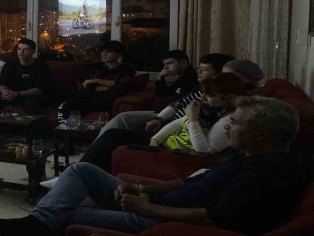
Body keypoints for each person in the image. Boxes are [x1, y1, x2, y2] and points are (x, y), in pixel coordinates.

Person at [0, 96, 311, 236]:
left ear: (263, 134)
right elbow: (191, 181)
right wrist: (146, 189)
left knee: (64, 216)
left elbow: (212, 219)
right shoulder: (249, 155)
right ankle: (41, 221)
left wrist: (146, 207)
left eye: (235, 123)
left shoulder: (268, 173)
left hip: (161, 222)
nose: (227, 128)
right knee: (81, 171)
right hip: (158, 205)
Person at [80, 72, 247, 172]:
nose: (204, 97)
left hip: (174, 148)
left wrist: (193, 120)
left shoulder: (229, 121)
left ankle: (83, 171)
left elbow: (203, 151)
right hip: (168, 138)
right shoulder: (213, 108)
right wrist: (159, 129)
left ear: (228, 97)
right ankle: (83, 168)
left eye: (209, 95)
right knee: (114, 135)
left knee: (114, 138)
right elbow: (179, 117)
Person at [94, 53, 235, 140]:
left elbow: (178, 103)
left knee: (118, 129)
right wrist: (160, 80)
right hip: (166, 116)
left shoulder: (193, 79)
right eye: (199, 68)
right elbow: (173, 98)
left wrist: (163, 116)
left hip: (173, 124)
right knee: (122, 119)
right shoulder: (198, 86)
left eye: (205, 70)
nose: (199, 72)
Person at [56, 40, 137, 120]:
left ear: (119, 55)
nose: (104, 54)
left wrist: (96, 81)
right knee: (68, 104)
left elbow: (122, 85)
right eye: (103, 51)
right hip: (89, 96)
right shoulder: (95, 67)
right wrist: (105, 86)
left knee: (74, 103)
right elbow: (84, 84)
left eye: (109, 51)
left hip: (106, 99)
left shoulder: (126, 69)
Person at [0, 38, 52, 115]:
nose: (21, 52)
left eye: (26, 49)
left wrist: (17, 94)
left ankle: (32, 122)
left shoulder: (41, 66)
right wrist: (5, 92)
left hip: (29, 95)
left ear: (33, 52)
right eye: (19, 49)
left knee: (32, 102)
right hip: (11, 94)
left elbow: (41, 89)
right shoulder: (10, 64)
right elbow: (2, 83)